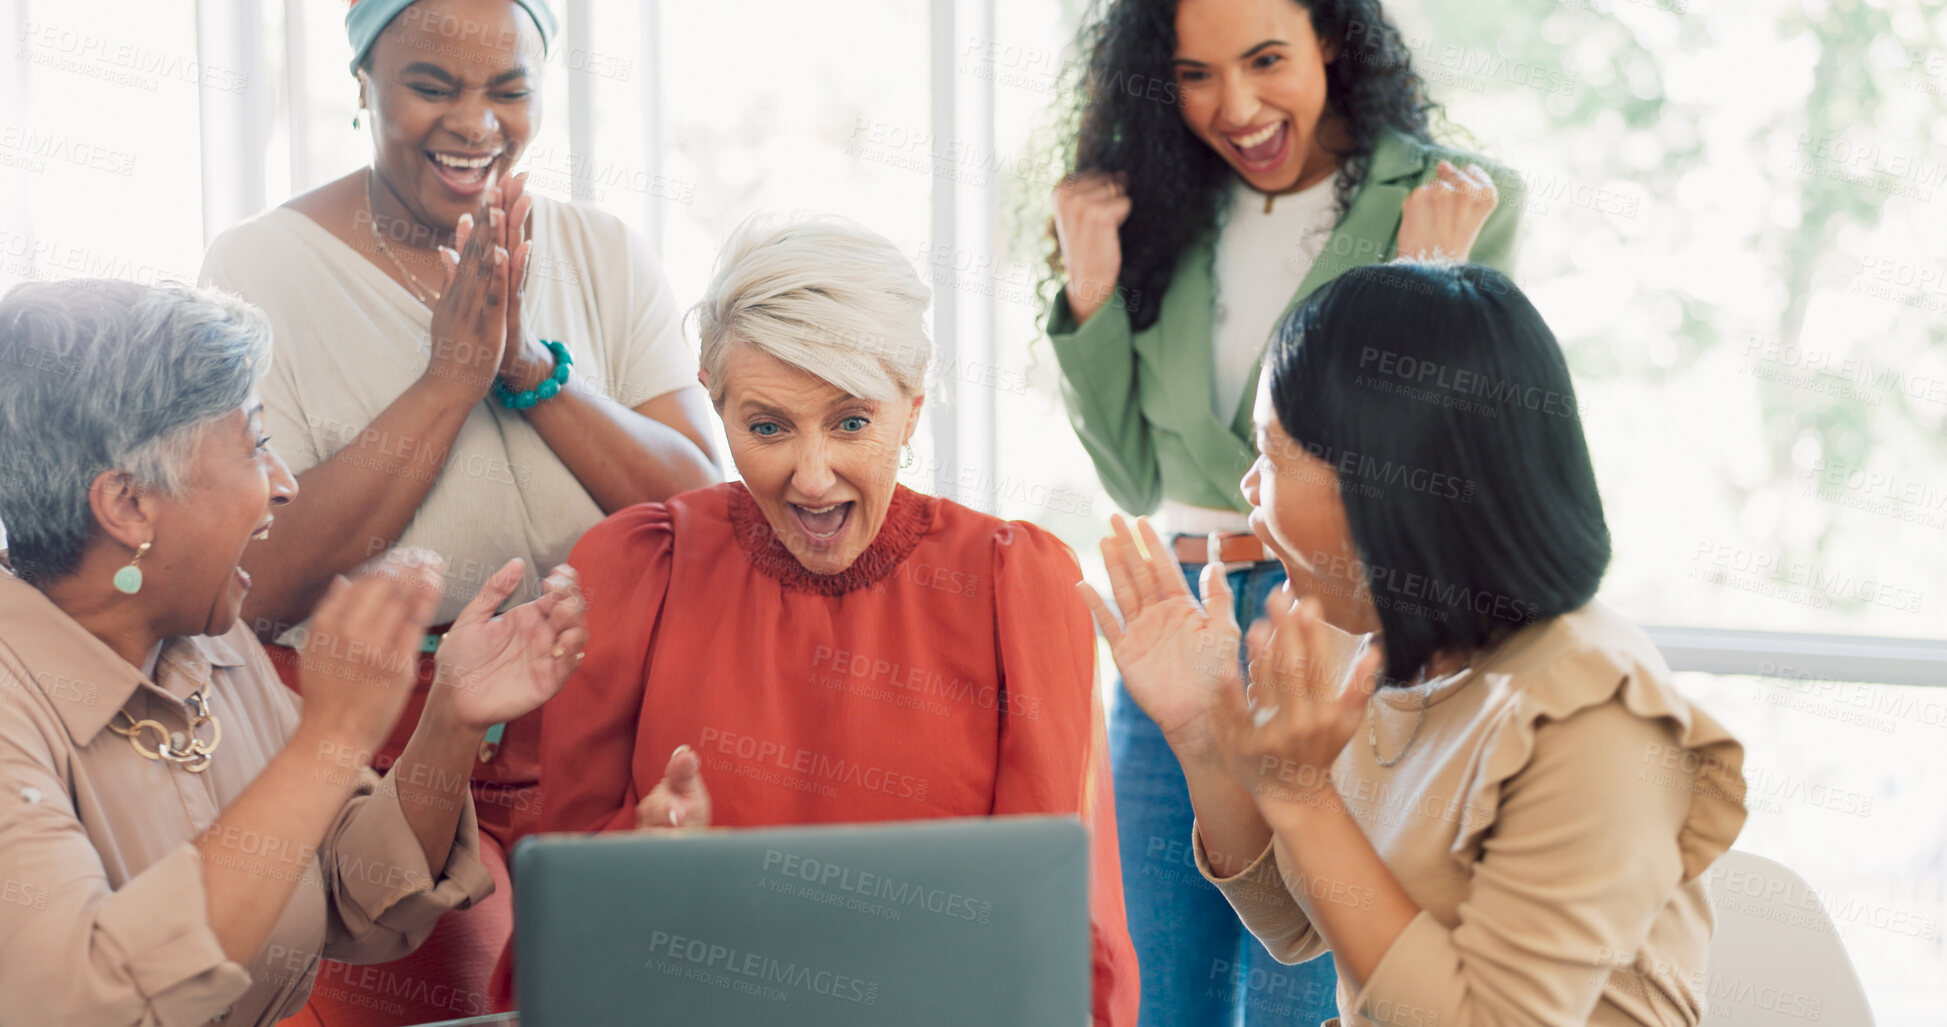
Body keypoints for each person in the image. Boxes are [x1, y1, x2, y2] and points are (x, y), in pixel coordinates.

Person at [197, 0, 717, 1019]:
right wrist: (446, 380)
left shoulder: (604, 252)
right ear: (362, 85)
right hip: (385, 756)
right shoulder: (257, 271)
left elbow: (705, 505)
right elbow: (255, 581)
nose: (475, 123)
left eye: (509, 90)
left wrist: (528, 369)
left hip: (599, 741)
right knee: (450, 996)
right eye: (432, 86)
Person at [1081, 262, 1748, 1026]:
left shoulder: (1594, 711)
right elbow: (1292, 924)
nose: (1246, 486)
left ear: (1383, 486)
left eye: (1270, 453)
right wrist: (1202, 734)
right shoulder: (1356, 645)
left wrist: (1304, 797)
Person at [525, 215, 1139, 1025]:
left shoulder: (1014, 588)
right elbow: (559, 920)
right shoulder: (638, 569)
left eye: (851, 422)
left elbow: (1057, 926)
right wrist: (640, 861)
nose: (812, 479)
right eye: (766, 426)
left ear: (911, 407)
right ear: (714, 400)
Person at [1045, 1, 1520, 1019]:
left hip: (1339, 612)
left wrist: (1427, 283)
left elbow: (1441, 460)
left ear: (1335, 39)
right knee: (1158, 974)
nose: (1239, 107)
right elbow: (1131, 475)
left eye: (1267, 61)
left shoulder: (1454, 199)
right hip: (1180, 613)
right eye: (1197, 74)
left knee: (1299, 978)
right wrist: (1089, 293)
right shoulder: (1160, 205)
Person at [0, 279, 587, 1026]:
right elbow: (84, 1003)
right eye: (254, 443)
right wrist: (332, 737)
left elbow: (352, 892)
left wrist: (451, 719)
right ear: (127, 504)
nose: (282, 486)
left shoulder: (208, 639)